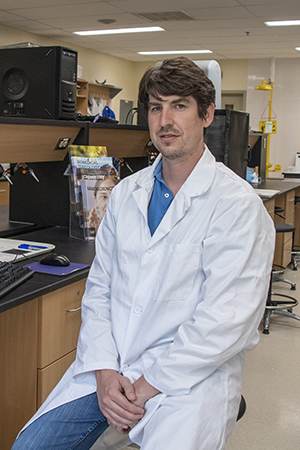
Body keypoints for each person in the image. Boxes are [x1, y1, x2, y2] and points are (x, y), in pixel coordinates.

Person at [12, 57, 275, 450]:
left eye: (179, 105)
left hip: (188, 377)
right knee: (31, 446)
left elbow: (227, 320)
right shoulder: (124, 194)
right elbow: (99, 291)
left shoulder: (235, 204)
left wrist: (146, 385)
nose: (165, 120)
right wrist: (103, 372)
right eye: (156, 107)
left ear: (206, 114)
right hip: (113, 367)